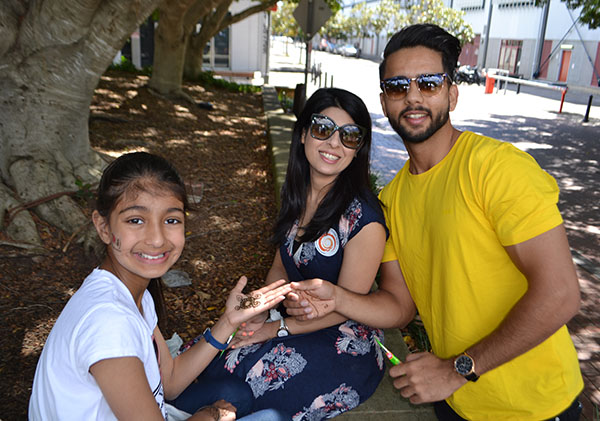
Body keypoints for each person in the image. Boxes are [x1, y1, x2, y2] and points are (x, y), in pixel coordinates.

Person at [286, 24, 584, 420]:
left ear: (452, 94)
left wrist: (457, 370)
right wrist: (337, 298)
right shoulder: (391, 200)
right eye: (398, 86)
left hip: (535, 406)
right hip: (454, 401)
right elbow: (399, 305)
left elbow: (560, 293)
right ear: (384, 102)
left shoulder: (497, 168)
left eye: (428, 83)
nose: (413, 96)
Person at [170, 88, 389, 419]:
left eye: (349, 136)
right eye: (323, 129)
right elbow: (279, 268)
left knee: (252, 374)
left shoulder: (364, 220)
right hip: (290, 320)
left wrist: (274, 329)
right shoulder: (297, 194)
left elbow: (344, 308)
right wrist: (262, 309)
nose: (334, 143)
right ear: (303, 134)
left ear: (358, 149)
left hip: (342, 340)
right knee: (216, 352)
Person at [28, 152, 292, 421]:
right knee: (274, 418)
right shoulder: (109, 323)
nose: (156, 239)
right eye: (135, 220)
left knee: (236, 394)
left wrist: (228, 322)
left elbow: (170, 382)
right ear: (103, 227)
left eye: (171, 220)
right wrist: (210, 415)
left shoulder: (133, 293)